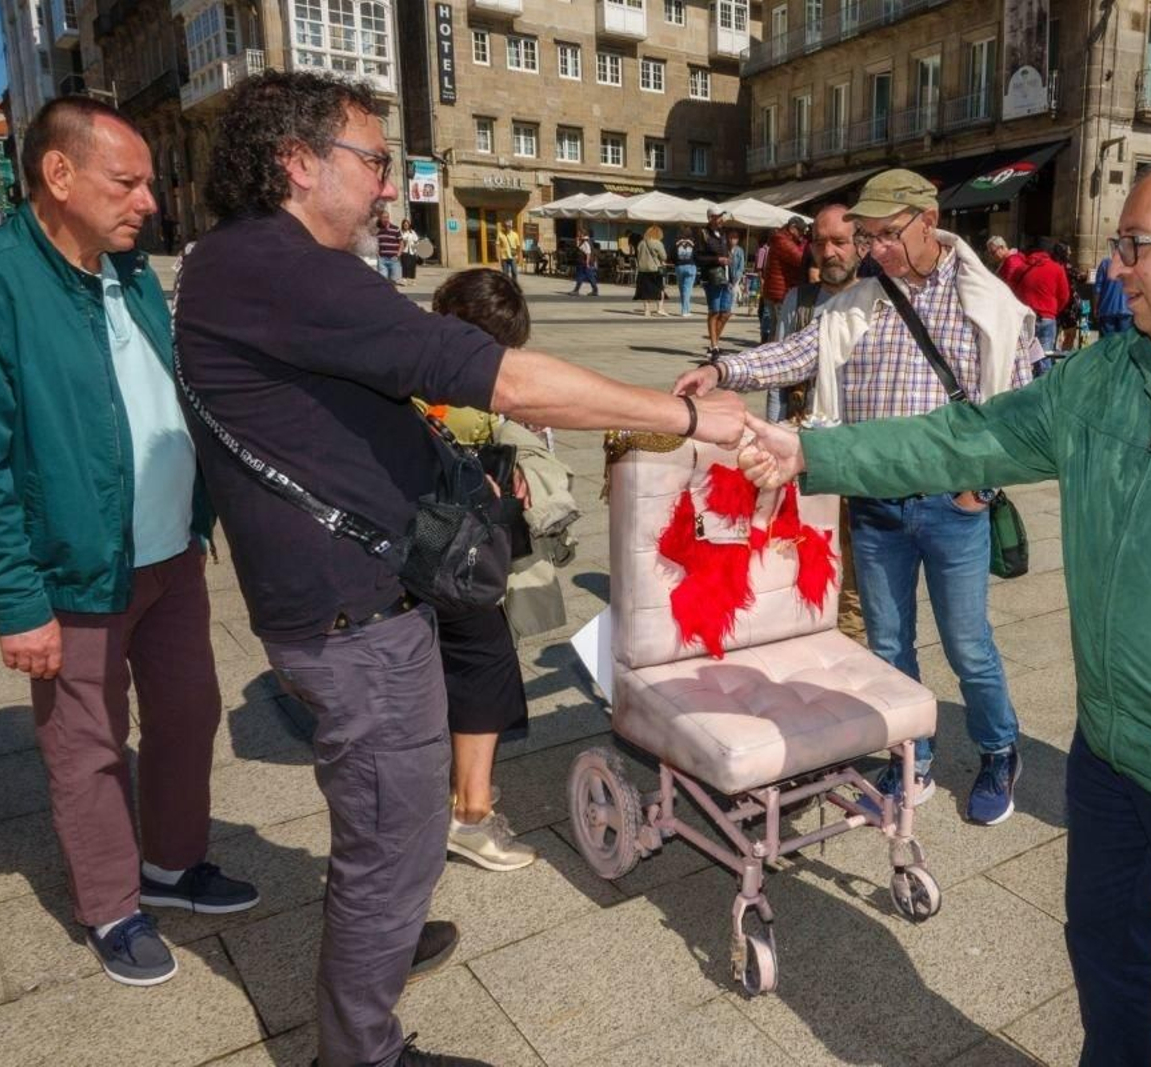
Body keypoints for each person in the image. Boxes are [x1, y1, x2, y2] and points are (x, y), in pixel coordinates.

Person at [736, 151, 1151, 1065]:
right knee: (1104, 949)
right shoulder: (1111, 375)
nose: (1114, 264)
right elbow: (967, 435)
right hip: (1110, 754)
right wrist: (813, 453)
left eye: (1135, 244)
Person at [173, 70, 745, 1067]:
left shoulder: (245, 264)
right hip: (353, 615)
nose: (388, 185)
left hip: (338, 599)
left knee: (384, 827)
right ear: (297, 163)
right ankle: (362, 1047)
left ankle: (380, 948)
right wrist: (688, 415)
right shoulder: (281, 265)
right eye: (373, 160)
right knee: (393, 840)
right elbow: (509, 377)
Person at [0, 95, 259, 988]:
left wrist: (204, 513)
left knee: (186, 714)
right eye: (126, 182)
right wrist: (16, 603)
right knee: (88, 747)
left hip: (171, 553)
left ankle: (172, 865)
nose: (149, 202)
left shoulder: (129, 271)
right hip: (74, 569)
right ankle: (111, 904)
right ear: (58, 175)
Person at [677, 169, 1035, 826]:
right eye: (866, 236)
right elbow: (795, 354)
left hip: (949, 508)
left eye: (884, 235)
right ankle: (912, 755)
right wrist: (723, 369)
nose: (873, 249)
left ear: (927, 219)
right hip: (875, 507)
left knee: (968, 643)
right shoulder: (860, 302)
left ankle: (998, 748)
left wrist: (975, 490)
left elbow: (1017, 409)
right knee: (889, 644)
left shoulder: (989, 303)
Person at [676, 203, 868, 643]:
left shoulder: (877, 301)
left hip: (856, 454)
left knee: (855, 573)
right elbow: (780, 364)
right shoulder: (801, 300)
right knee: (804, 555)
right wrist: (770, 431)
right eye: (820, 242)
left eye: (839, 241)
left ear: (860, 244)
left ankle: (854, 649)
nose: (829, 252)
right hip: (803, 450)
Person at [426, 269, 544, 875]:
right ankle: (470, 817)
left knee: (443, 659)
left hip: (400, 540)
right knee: (485, 660)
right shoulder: (452, 376)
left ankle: (453, 792)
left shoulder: (407, 348)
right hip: (443, 537)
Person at [1013, 236, 1069, 353]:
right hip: (1046, 317)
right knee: (1045, 356)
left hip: (1025, 317)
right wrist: (1053, 310)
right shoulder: (1057, 269)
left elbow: (1013, 293)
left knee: (1024, 357)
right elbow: (1064, 296)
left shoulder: (1020, 269)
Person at [758, 216, 807, 345]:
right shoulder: (783, 241)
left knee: (775, 327)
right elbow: (800, 259)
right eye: (800, 231)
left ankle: (768, 356)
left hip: (776, 290)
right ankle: (772, 357)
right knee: (782, 328)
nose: (802, 235)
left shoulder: (781, 238)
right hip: (779, 292)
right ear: (792, 228)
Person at [699, 208, 734, 359]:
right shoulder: (703, 233)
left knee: (726, 313)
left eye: (722, 216)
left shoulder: (723, 233)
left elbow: (725, 252)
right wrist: (717, 260)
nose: (722, 219)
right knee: (714, 312)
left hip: (725, 277)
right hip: (712, 277)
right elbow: (698, 257)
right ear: (711, 218)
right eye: (720, 216)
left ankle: (714, 345)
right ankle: (714, 346)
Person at [1093, 253, 1132, 335]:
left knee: (1108, 344)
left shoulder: (1105, 263)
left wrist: (1096, 307)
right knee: (1123, 343)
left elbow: (1098, 288)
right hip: (1126, 310)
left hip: (1106, 309)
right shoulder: (1130, 263)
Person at [634, 224, 668, 316]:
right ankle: (660, 308)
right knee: (660, 289)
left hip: (642, 270)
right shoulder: (657, 243)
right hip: (655, 269)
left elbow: (637, 255)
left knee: (645, 291)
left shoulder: (641, 243)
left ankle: (646, 310)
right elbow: (664, 257)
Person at [673, 227, 697, 317]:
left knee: (682, 289)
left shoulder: (677, 243)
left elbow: (671, 255)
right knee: (687, 289)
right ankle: (685, 310)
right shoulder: (693, 243)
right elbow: (697, 254)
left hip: (679, 267)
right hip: (690, 266)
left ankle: (687, 309)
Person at [569, 229, 599, 295]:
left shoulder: (585, 242)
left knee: (581, 276)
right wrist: (577, 241)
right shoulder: (583, 241)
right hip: (584, 262)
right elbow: (579, 248)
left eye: (579, 233)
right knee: (590, 277)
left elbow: (588, 253)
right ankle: (595, 290)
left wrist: (587, 263)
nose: (578, 235)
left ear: (582, 234)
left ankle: (576, 291)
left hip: (584, 262)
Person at [374, 209, 399, 282]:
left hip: (393, 258)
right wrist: (377, 254)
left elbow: (401, 242)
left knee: (393, 280)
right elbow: (376, 243)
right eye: (383, 218)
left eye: (386, 217)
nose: (385, 219)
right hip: (382, 259)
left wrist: (398, 254)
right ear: (381, 219)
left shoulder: (396, 229)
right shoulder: (378, 230)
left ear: (389, 218)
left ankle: (391, 292)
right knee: (383, 279)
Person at [398, 218, 421, 285]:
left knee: (412, 266)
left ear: (409, 225)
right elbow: (401, 240)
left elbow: (416, 241)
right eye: (404, 224)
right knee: (404, 265)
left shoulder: (412, 232)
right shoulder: (401, 232)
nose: (406, 225)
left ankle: (412, 280)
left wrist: (417, 251)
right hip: (404, 251)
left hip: (412, 251)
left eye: (407, 224)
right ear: (403, 225)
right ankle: (404, 280)